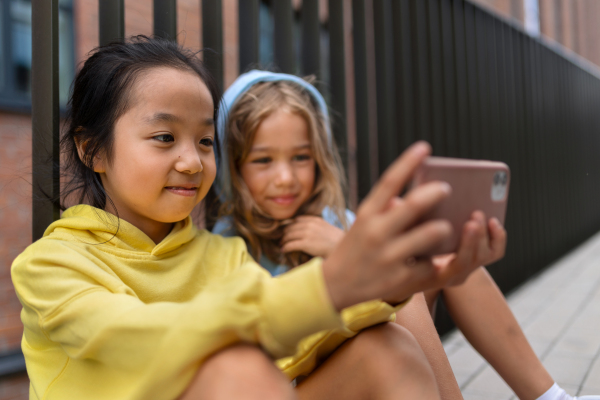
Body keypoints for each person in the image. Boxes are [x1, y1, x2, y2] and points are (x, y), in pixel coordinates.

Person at [10, 37, 488, 400]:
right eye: (163, 138)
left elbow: (291, 345)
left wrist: (390, 281)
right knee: (236, 369)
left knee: (388, 347)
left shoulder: (221, 254)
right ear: (92, 149)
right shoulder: (50, 266)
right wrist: (332, 284)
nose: (192, 162)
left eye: (203, 141)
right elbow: (145, 340)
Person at [212, 70, 600, 400]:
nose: (285, 177)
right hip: (300, 384)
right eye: (263, 160)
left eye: (300, 157)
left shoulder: (335, 219)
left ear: (319, 158)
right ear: (234, 166)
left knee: (437, 261)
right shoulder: (228, 246)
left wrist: (340, 246)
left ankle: (550, 397)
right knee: (399, 287)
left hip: (376, 368)